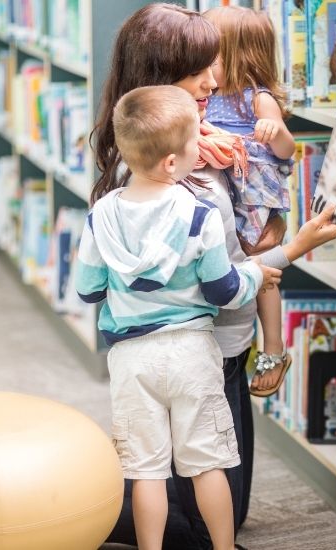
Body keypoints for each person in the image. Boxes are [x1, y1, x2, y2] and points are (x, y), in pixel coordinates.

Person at [94, 5, 336, 548]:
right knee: (207, 502)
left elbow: (93, 286)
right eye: (199, 71)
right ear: (160, 75)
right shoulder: (191, 176)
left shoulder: (144, 151)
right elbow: (225, 282)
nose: (215, 80)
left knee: (194, 477)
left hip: (167, 346)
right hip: (207, 343)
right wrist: (294, 245)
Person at [77, 85, 280, 550]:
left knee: (145, 470)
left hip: (130, 358)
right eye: (195, 143)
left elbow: (88, 290)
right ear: (173, 162)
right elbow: (225, 290)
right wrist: (255, 275)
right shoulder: (200, 215)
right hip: (191, 353)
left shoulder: (101, 215)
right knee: (206, 463)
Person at [200, 6, 295, 398]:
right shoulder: (207, 95)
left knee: (260, 272)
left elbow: (288, 150)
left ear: (238, 58)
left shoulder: (258, 100)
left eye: (212, 56)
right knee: (233, 267)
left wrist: (274, 132)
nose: (203, 66)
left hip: (253, 196)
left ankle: (274, 348)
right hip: (226, 188)